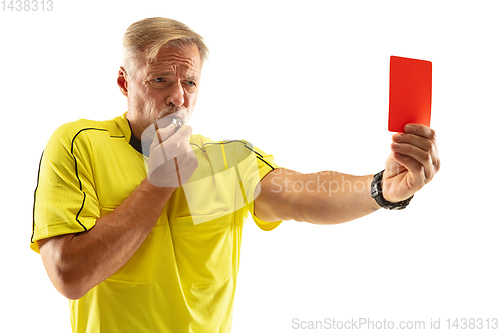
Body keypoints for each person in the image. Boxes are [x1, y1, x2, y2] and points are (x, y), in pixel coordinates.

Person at [31, 17, 440, 333]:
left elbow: (302, 193)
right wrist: (159, 184)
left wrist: (383, 189)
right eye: (159, 80)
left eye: (190, 81)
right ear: (124, 82)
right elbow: (69, 275)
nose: (178, 97)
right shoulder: (78, 143)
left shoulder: (222, 162)